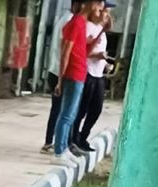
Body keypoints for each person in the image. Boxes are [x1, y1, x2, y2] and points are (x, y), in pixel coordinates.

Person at [53, 0, 105, 164]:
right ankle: (59, 151)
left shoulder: (81, 23)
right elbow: (66, 52)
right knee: (66, 114)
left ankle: (64, 148)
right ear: (91, 4)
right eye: (99, 8)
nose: (100, 12)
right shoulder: (76, 23)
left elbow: (83, 51)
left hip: (80, 73)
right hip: (73, 73)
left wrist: (100, 33)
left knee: (72, 114)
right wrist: (60, 80)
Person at [72, 1, 115, 153]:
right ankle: (74, 138)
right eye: (103, 11)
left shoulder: (102, 32)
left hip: (99, 74)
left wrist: (105, 63)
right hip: (87, 72)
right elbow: (82, 51)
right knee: (82, 109)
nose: (106, 15)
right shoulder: (88, 27)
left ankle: (83, 136)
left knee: (96, 109)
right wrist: (98, 55)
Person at [41, 1, 82, 154]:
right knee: (62, 111)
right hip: (61, 72)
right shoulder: (70, 22)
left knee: (61, 110)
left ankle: (54, 142)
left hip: (57, 70)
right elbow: (65, 52)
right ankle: (55, 144)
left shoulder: (65, 19)